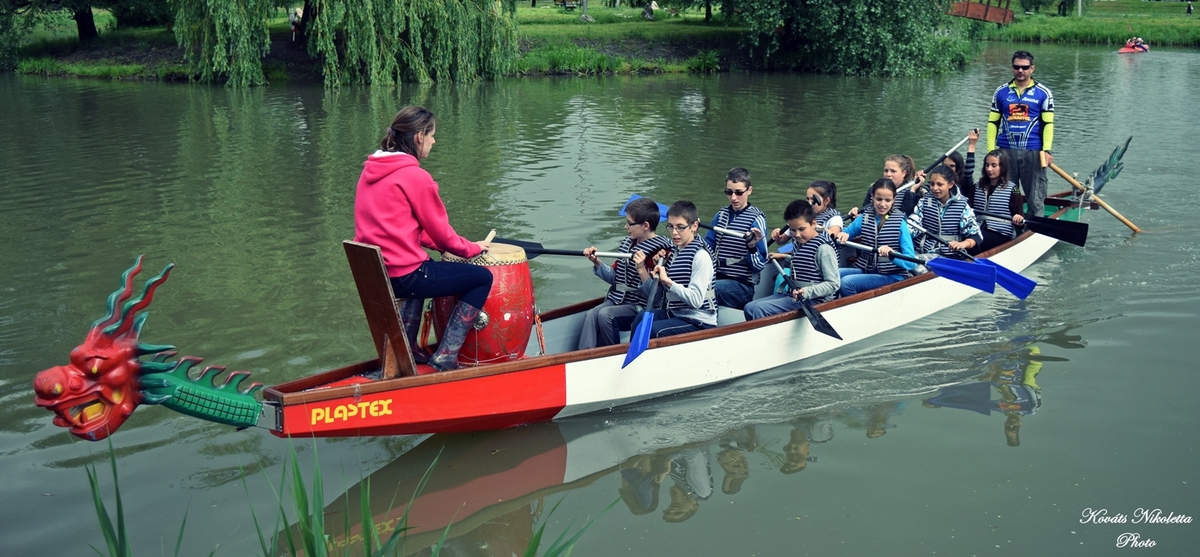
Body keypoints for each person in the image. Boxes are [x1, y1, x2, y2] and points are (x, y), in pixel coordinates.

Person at [354, 106, 493, 372]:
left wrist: (440, 245)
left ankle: (408, 350)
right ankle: (446, 357)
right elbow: (444, 236)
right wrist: (472, 248)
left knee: (424, 265)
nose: (434, 141)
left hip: (377, 275)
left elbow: (404, 227)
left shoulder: (370, 172)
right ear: (419, 136)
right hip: (404, 277)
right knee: (482, 278)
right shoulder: (416, 177)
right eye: (431, 135)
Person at [578, 198, 672, 349]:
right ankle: (585, 355)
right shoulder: (629, 244)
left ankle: (610, 355)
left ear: (645, 225)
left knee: (605, 315)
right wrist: (596, 261)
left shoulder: (661, 252)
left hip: (639, 305)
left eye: (629, 223)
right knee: (591, 314)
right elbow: (615, 278)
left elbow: (655, 297)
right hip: (618, 300)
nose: (625, 226)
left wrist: (641, 269)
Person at [625, 200, 718, 339]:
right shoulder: (673, 253)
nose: (674, 233)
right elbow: (657, 297)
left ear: (694, 226)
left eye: (680, 227)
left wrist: (668, 281)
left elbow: (696, 300)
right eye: (671, 226)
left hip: (699, 320)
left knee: (654, 330)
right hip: (675, 313)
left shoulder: (701, 256)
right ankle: (630, 351)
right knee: (641, 318)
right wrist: (653, 270)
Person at [743, 200, 840, 320]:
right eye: (793, 230)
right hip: (793, 294)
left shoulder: (824, 249)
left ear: (813, 223)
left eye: (802, 229)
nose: (797, 234)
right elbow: (806, 261)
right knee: (749, 308)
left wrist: (806, 292)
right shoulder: (800, 242)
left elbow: (833, 284)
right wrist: (784, 256)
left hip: (814, 300)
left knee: (760, 309)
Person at [988, 50, 1054, 220]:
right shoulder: (1001, 92)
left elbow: (1048, 124)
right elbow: (993, 123)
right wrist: (991, 151)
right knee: (1007, 194)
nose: (1020, 70)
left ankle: (1035, 226)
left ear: (1032, 68)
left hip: (1033, 152)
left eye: (1024, 67)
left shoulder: (1043, 93)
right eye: (1017, 67)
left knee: (1035, 197)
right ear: (1012, 68)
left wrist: (1047, 150)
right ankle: (1005, 226)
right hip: (1005, 152)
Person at [835, 180, 918, 296]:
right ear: (872, 197)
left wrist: (892, 254)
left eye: (887, 200)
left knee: (847, 283)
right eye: (879, 199)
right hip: (867, 269)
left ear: (893, 200)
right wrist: (843, 235)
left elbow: (912, 263)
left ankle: (857, 306)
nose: (883, 204)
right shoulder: (864, 218)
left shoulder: (900, 224)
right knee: (834, 275)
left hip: (892, 275)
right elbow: (845, 234)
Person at [704, 167, 768, 310]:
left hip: (742, 287)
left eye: (739, 192)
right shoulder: (721, 215)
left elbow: (759, 265)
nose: (733, 198)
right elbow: (707, 248)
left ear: (749, 190)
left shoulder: (756, 219)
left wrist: (751, 247)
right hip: (717, 277)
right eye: (729, 192)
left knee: (707, 289)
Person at [909, 165, 984, 258]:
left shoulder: (962, 206)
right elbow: (912, 224)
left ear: (950, 184)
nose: (935, 188)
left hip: (946, 255)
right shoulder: (925, 201)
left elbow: (976, 235)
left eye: (940, 184)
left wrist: (962, 244)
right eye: (932, 184)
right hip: (919, 250)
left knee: (912, 262)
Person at [969, 149, 1025, 255]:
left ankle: (974, 259)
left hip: (1001, 233)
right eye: (987, 165)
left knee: (974, 240)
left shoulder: (1013, 189)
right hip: (977, 229)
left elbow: (1020, 218)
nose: (989, 169)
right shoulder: (976, 187)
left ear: (1002, 167)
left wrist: (1018, 218)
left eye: (994, 165)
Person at [847, 154, 924, 219]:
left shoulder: (913, 190)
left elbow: (906, 216)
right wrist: (857, 216)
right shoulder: (875, 188)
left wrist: (912, 192)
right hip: (874, 225)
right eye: (886, 170)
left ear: (904, 173)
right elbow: (865, 212)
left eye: (893, 171)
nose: (888, 174)